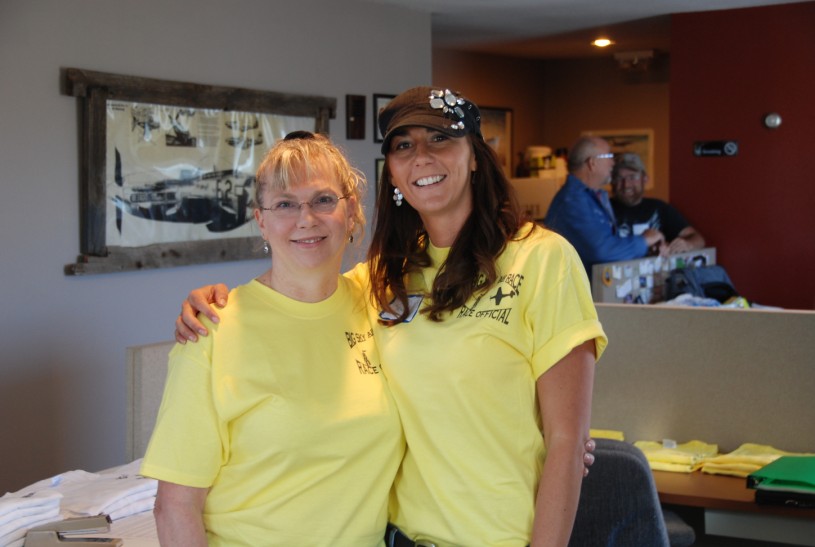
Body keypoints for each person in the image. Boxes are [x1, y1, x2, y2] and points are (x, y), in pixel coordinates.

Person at [176, 87, 607, 546]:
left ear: (475, 157)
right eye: (404, 145)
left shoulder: (543, 259)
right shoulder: (384, 277)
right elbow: (304, 294)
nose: (421, 156)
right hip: (398, 538)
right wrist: (219, 302)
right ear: (394, 175)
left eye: (440, 138)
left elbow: (567, 441)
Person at [140, 132, 404, 546]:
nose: (306, 219)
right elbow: (175, 506)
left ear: (352, 210)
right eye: (284, 204)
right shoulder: (213, 330)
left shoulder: (380, 301)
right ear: (260, 220)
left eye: (323, 200)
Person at [544, 136, 665, 274]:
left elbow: (607, 244)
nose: (613, 162)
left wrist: (645, 248)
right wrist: (644, 240)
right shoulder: (573, 201)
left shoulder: (590, 198)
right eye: (608, 156)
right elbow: (602, 251)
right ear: (592, 163)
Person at [611, 152, 706, 254]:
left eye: (632, 177)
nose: (626, 185)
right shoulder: (603, 210)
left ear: (645, 179)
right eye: (619, 178)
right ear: (612, 181)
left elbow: (698, 240)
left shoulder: (659, 208)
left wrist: (686, 244)